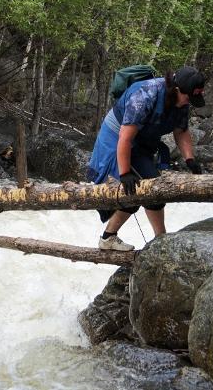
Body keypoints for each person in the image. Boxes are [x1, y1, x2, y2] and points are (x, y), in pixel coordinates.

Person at [85, 66, 206, 251]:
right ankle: (160, 241)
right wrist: (124, 173)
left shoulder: (181, 102)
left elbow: (181, 131)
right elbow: (125, 138)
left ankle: (111, 238)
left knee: (144, 192)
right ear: (176, 90)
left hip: (140, 143)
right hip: (116, 139)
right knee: (145, 189)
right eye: (189, 98)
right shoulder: (144, 95)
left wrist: (190, 159)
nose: (189, 102)